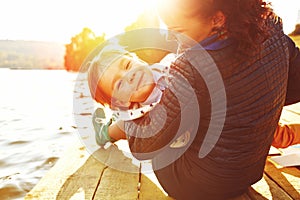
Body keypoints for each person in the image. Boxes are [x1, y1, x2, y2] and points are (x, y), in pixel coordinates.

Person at [108, 0, 300, 200]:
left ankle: (111, 128)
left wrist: (132, 107)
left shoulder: (191, 66)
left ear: (217, 19)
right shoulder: (271, 27)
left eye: (177, 30)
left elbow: (142, 148)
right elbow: (294, 88)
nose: (171, 37)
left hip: (198, 186)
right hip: (249, 172)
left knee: (148, 116)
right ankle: (112, 128)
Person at [87, 44, 175, 146]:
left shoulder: (169, 66)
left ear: (139, 61)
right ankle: (104, 133)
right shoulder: (135, 119)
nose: (130, 75)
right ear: (121, 101)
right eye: (119, 84)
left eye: (128, 65)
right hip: (137, 112)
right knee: (126, 127)